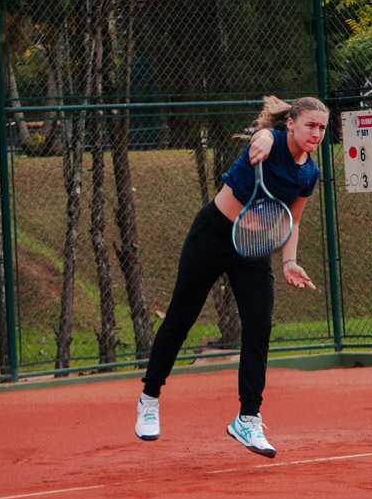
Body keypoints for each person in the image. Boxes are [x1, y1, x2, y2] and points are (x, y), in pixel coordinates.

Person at [135, 94, 329, 458]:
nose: (316, 133)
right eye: (310, 125)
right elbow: (262, 137)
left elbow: (293, 219)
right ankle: (149, 398)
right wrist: (263, 140)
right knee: (180, 318)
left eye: (321, 128)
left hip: (252, 248)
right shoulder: (270, 140)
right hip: (212, 235)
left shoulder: (310, 172)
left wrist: (289, 261)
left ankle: (248, 417)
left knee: (259, 326)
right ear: (291, 124)